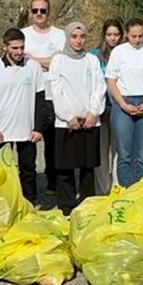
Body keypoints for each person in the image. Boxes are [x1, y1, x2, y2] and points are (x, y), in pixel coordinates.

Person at [0, 29, 46, 204]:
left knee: (28, 170)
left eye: (22, 47)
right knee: (2, 171)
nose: (19, 51)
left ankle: (30, 204)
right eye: (15, 48)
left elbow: (41, 100)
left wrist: (39, 128)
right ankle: (4, 204)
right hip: (2, 131)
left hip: (27, 130)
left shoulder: (33, 67)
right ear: (4, 47)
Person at [47, 23, 106, 213]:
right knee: (65, 167)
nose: (78, 40)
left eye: (82, 36)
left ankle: (88, 205)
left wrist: (92, 112)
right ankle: (66, 206)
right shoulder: (59, 61)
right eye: (74, 36)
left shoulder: (92, 60)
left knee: (88, 167)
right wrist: (68, 116)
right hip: (67, 123)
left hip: (89, 120)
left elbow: (99, 87)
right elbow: (56, 90)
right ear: (67, 38)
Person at [106, 19, 143, 187]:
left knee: (142, 154)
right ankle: (125, 190)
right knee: (124, 154)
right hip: (123, 102)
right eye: (134, 36)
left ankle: (140, 191)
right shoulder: (118, 52)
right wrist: (123, 105)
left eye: (141, 36)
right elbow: (111, 81)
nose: (138, 39)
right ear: (127, 35)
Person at [21, 0, 65, 196]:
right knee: (28, 140)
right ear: (30, 12)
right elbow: (22, 62)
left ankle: (53, 180)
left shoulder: (60, 35)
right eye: (35, 10)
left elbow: (60, 63)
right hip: (29, 94)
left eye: (43, 10)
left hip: (54, 93)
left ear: (49, 12)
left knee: (54, 140)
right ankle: (27, 187)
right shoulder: (23, 35)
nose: (39, 14)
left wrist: (33, 59)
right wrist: (47, 60)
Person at [90, 19, 123, 195]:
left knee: (119, 151)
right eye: (109, 34)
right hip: (101, 111)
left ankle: (118, 187)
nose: (113, 38)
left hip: (120, 109)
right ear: (104, 35)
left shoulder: (126, 54)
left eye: (116, 34)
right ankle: (102, 190)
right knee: (102, 153)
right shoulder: (94, 56)